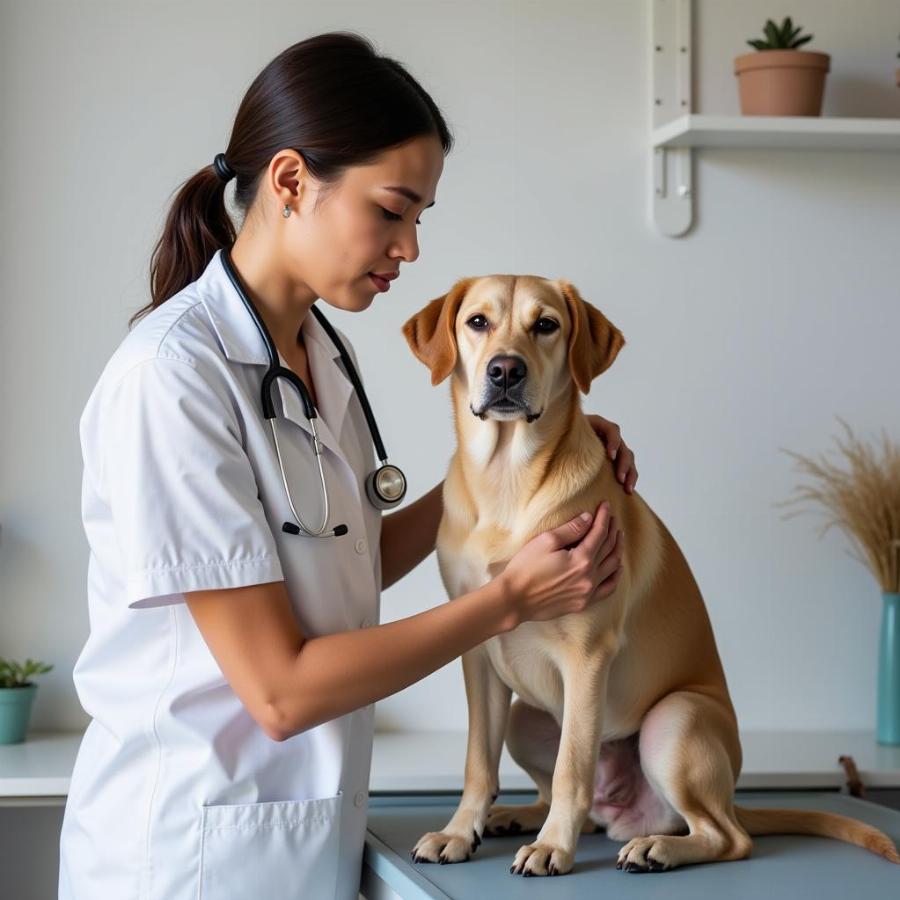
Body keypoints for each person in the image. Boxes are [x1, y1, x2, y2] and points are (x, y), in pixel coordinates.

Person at [58, 31, 637, 900]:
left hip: (304, 841)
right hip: (188, 854)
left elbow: (350, 548)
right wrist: (508, 599)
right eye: (393, 210)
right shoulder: (171, 379)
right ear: (291, 183)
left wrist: (535, 472)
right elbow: (281, 691)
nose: (409, 249)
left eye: (418, 220)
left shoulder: (320, 354)